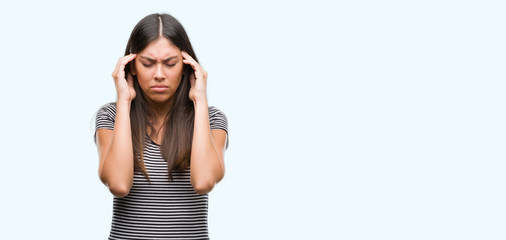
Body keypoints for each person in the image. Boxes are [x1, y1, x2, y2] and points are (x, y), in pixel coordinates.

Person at [93, 13, 229, 240]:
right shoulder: (111, 116)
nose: (158, 75)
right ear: (131, 66)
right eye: (147, 64)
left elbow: (204, 181)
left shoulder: (211, 119)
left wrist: (200, 100)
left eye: (170, 64)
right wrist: (124, 100)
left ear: (187, 66)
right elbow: (118, 184)